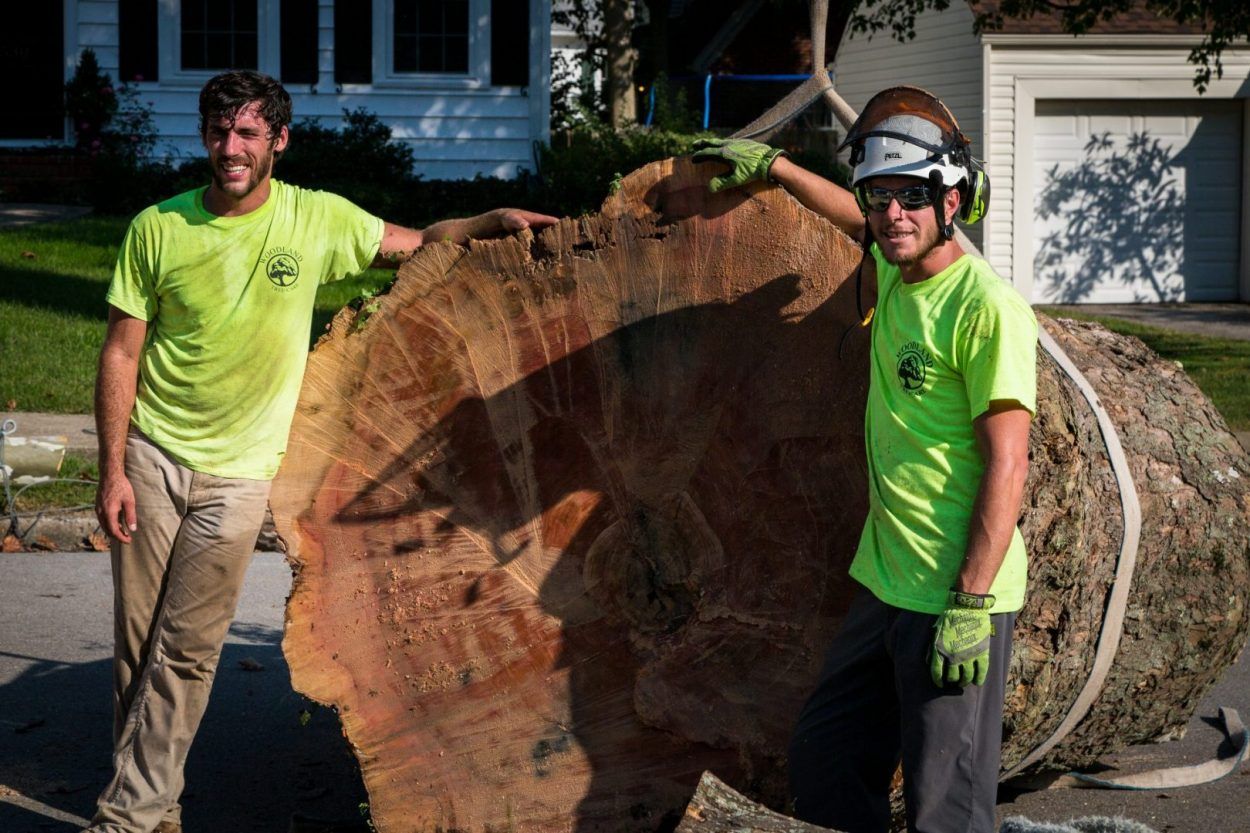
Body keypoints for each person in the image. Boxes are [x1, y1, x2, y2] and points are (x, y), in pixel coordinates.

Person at [88, 69, 557, 833]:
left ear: (279, 140)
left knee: (187, 651)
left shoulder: (316, 220)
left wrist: (488, 220)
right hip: (153, 455)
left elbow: (416, 246)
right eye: (218, 131)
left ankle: (125, 819)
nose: (229, 148)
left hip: (242, 475)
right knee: (138, 650)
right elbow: (120, 354)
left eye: (246, 133)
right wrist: (113, 466)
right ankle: (156, 806)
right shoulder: (158, 228)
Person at [692, 86, 1036, 833]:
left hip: (954, 595)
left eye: (913, 196)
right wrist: (779, 167)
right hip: (885, 580)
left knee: (945, 803)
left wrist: (971, 602)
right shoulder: (893, 267)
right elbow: (855, 219)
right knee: (828, 758)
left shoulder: (986, 307)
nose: (891, 214)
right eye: (879, 198)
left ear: (955, 200)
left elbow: (1009, 463)